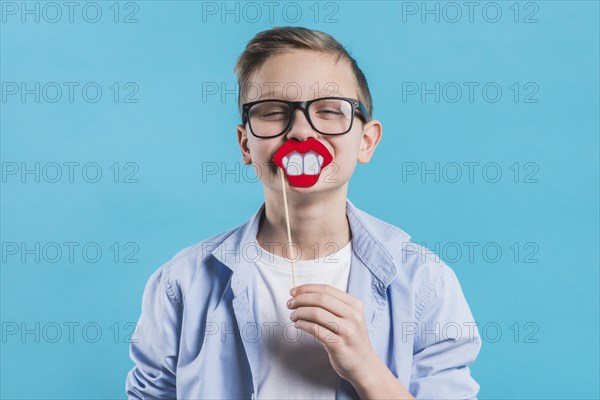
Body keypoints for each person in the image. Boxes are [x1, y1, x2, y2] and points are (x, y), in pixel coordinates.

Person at [125, 26, 482, 399]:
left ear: (366, 141)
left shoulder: (424, 282)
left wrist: (366, 366)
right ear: (246, 144)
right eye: (272, 112)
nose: (300, 130)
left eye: (328, 110)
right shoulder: (182, 283)